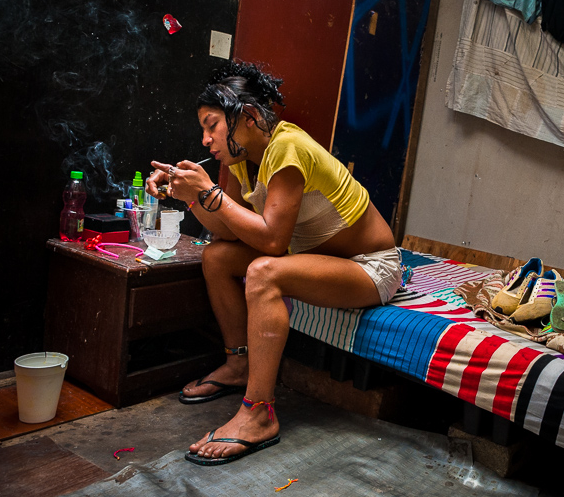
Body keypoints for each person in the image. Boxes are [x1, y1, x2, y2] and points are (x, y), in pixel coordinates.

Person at [145, 61, 400, 466]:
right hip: (313, 257)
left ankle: (259, 413)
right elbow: (229, 233)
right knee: (217, 257)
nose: (205, 138)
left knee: (264, 273)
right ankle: (238, 363)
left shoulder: (286, 147)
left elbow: (272, 241)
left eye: (212, 125)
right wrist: (189, 195)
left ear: (245, 117)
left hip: (371, 266)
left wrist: (210, 192)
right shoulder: (245, 159)